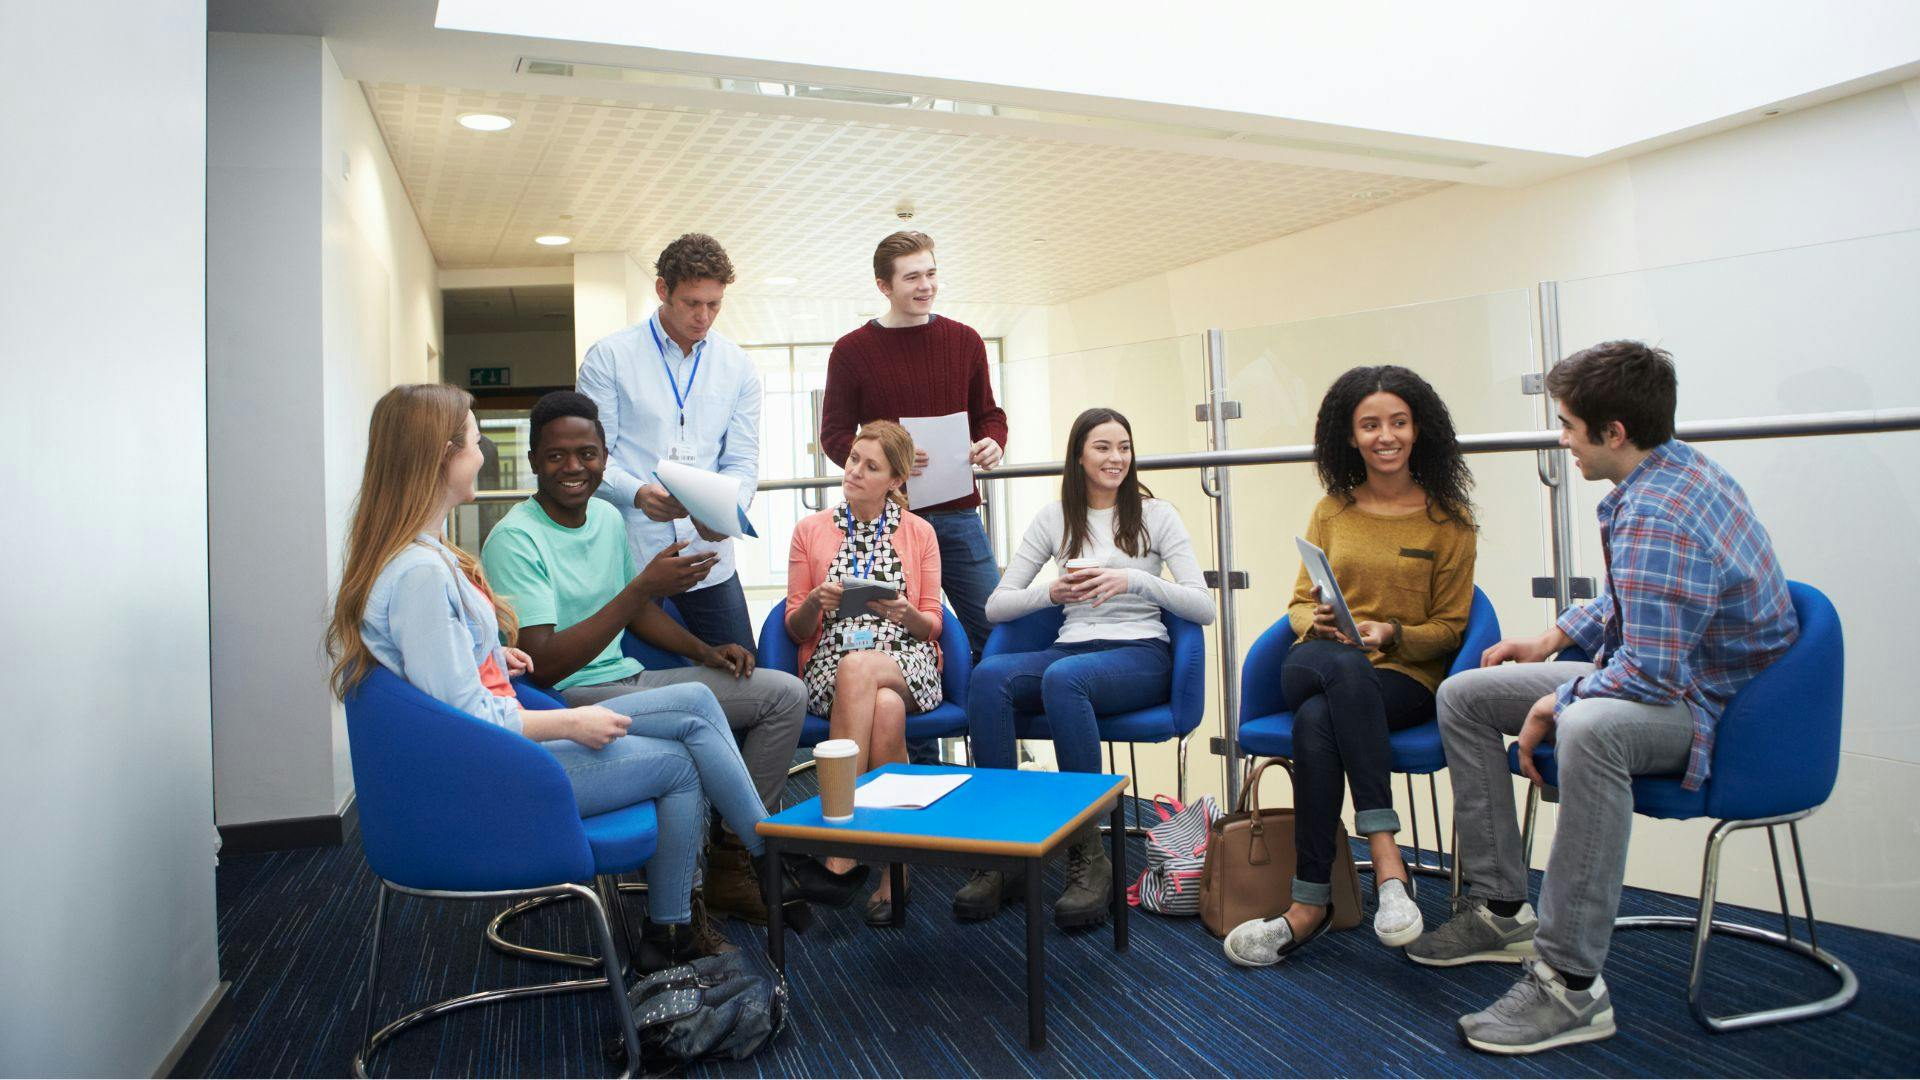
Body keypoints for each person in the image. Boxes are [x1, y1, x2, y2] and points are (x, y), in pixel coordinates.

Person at [325, 385, 862, 973]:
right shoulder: (424, 571)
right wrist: (573, 720)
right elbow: (471, 719)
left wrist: (487, 654)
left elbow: (442, 682)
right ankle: (760, 860)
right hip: (483, 774)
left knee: (689, 742)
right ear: (442, 455)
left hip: (485, 753)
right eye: (477, 443)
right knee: (687, 741)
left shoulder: (422, 560)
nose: (484, 456)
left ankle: (693, 915)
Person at [1408, 341, 1798, 1055]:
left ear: (1614, 433)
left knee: (1590, 728)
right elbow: (1635, 607)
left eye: (1569, 425)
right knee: (1466, 696)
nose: (1562, 440)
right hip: (1668, 674)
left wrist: (1559, 702)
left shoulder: (1662, 514)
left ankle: (1571, 984)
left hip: (1716, 709)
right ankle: (1500, 908)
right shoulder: (1668, 473)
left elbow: (1649, 674)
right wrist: (1552, 640)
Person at [480, 391, 818, 929]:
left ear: (605, 456)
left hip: (629, 678)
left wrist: (706, 651)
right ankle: (765, 849)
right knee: (694, 704)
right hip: (568, 699)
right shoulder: (515, 539)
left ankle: (732, 855)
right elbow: (544, 665)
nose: (574, 467)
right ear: (534, 462)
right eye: (556, 456)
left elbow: (635, 615)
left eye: (587, 454)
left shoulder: (608, 520)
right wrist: (641, 587)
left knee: (783, 693)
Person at [1222, 366, 1477, 967]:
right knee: (1337, 672)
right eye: (1370, 425)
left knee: (1317, 720)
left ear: (1420, 430)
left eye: (1397, 422)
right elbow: (1296, 603)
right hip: (1315, 656)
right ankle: (1389, 866)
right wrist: (1322, 622)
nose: (1384, 436)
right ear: (1350, 436)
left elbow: (1452, 628)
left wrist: (1391, 632)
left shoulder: (1450, 522)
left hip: (1403, 676)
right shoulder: (1331, 510)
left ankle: (1307, 906)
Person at [957, 407, 1214, 928]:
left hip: (1141, 654)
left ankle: (1088, 856)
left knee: (1063, 678)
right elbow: (995, 608)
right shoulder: (1054, 519)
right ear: (1079, 455)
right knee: (988, 675)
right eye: (1103, 447)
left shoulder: (1156, 514)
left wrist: (1134, 581)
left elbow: (1202, 606)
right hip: (1071, 648)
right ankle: (1002, 851)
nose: (1116, 457)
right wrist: (1052, 591)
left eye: (1124, 447)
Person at [784, 420, 945, 925]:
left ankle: (841, 848)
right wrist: (816, 600)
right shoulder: (810, 531)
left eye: (870, 466)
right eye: (853, 458)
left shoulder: (920, 533)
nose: (853, 470)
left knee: (868, 672)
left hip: (907, 658)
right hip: (833, 662)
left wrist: (904, 614)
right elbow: (794, 628)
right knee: (884, 710)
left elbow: (932, 625)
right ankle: (894, 870)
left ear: (895, 481)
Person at [820, 231, 1007, 665]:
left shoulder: (965, 341)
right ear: (884, 286)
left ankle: (986, 723)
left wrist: (992, 443)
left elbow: (989, 416)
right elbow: (834, 434)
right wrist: (887, 459)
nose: (926, 286)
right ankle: (917, 735)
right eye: (912, 278)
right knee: (897, 637)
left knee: (995, 629)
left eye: (931, 274)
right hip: (888, 521)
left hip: (959, 514)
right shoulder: (851, 351)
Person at [577, 233, 761, 651]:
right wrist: (638, 493)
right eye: (691, 303)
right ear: (663, 290)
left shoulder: (738, 366)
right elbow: (592, 458)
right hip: (632, 558)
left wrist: (729, 511)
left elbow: (742, 460)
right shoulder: (610, 358)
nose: (704, 316)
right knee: (636, 680)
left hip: (708, 559)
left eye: (714, 304)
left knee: (744, 674)